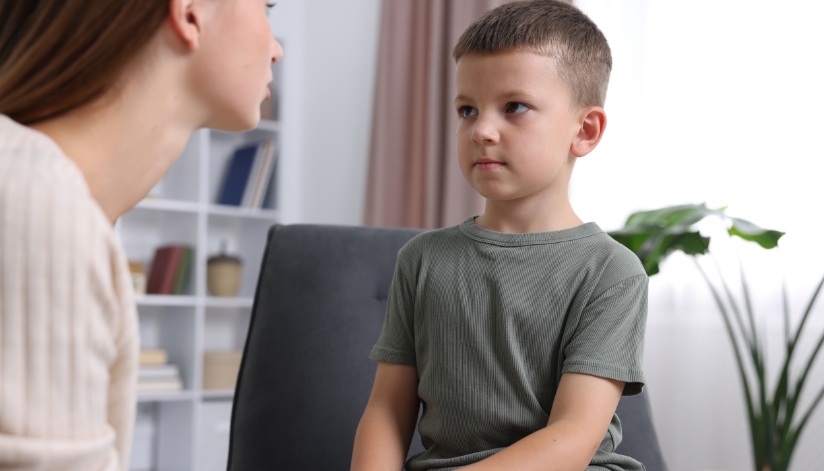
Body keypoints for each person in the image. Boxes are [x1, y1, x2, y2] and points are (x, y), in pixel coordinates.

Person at [351, 1, 647, 470]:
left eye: (515, 107)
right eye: (467, 110)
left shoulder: (611, 271)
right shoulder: (422, 260)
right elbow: (388, 408)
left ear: (585, 131)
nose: (481, 130)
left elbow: (573, 437)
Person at [0, 0, 282, 469]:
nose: (276, 49)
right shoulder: (40, 206)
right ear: (191, 12)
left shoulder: (53, 199)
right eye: (267, 5)